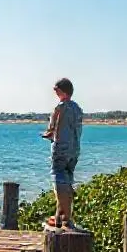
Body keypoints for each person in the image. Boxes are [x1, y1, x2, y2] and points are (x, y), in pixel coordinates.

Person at [41, 77, 83, 227]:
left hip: (61, 149)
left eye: (56, 89)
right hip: (74, 150)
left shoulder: (61, 107)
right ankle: (59, 216)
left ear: (61, 91)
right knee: (67, 180)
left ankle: (66, 218)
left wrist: (49, 133)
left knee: (58, 180)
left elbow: (52, 128)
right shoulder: (77, 108)